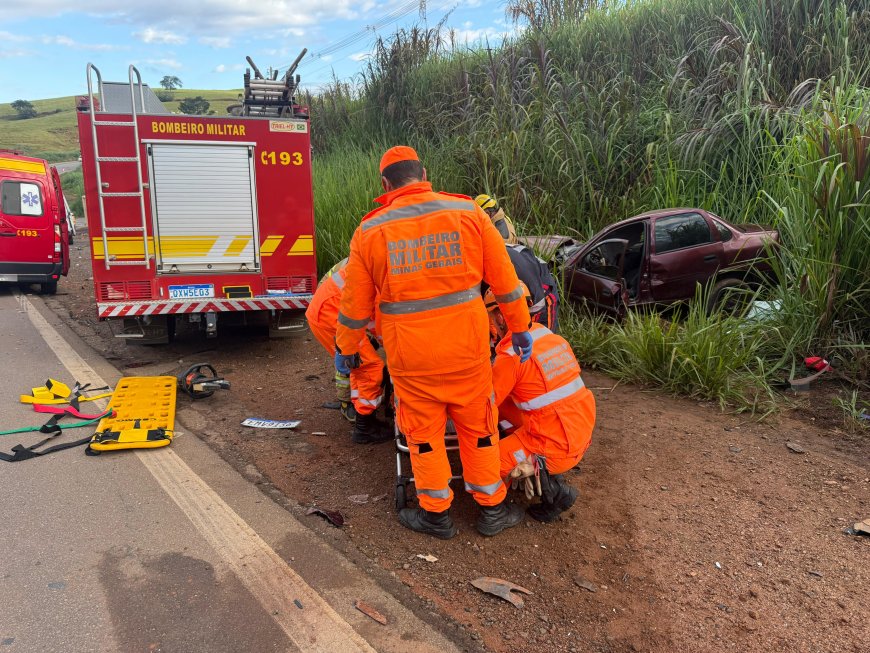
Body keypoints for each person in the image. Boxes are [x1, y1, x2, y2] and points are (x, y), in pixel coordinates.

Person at [335, 146, 534, 539]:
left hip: (411, 357)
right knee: (479, 429)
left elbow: (354, 304)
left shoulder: (371, 230)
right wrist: (521, 327)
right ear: (425, 173)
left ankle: (435, 514)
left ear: (385, 184)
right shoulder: (467, 213)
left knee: (423, 436)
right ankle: (491, 508)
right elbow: (505, 280)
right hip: (468, 350)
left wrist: (345, 349)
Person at [485, 286, 596, 522]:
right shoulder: (548, 336)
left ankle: (503, 511)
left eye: (488, 318)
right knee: (506, 411)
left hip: (555, 445)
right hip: (577, 432)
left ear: (499, 316)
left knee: (483, 465)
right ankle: (549, 480)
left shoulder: (511, 356)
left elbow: (485, 404)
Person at [305, 258, 392, 444]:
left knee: (360, 368)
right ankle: (364, 428)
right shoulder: (384, 281)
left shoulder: (377, 265)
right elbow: (381, 326)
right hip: (331, 317)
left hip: (328, 312)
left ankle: (362, 415)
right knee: (371, 368)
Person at [475, 195, 559, 332]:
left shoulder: (506, 264)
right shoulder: (484, 256)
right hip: (517, 277)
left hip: (541, 288)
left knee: (540, 338)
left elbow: (534, 304)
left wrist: (521, 329)